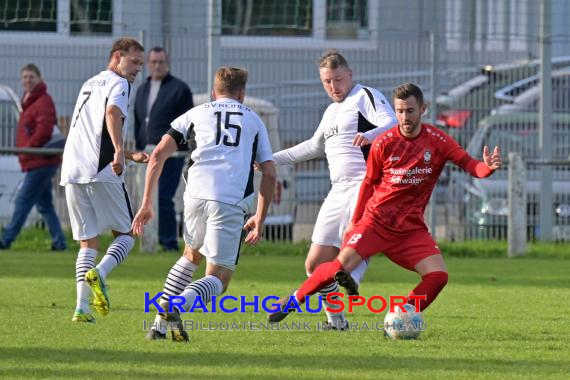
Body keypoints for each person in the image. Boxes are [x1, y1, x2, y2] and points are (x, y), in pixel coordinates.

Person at [269, 83, 502, 322]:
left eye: (410, 111)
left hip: (410, 229)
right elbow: (369, 184)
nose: (404, 117)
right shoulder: (384, 142)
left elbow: (470, 165)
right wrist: (355, 222)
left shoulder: (438, 141)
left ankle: (402, 316)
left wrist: (488, 168)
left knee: (438, 276)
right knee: (339, 268)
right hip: (376, 222)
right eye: (399, 111)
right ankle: (295, 298)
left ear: (423, 109)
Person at [132, 66, 276, 342]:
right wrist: (260, 215)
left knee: (190, 255)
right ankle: (177, 306)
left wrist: (146, 202)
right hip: (230, 200)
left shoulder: (196, 112)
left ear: (214, 92)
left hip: (195, 195)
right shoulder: (254, 121)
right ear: (242, 94)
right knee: (219, 278)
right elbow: (269, 173)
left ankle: (158, 327)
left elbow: (157, 154)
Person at [270, 49, 397, 329]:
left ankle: (354, 279)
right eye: (327, 81)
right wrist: (271, 159)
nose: (333, 87)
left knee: (354, 247)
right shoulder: (330, 111)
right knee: (314, 265)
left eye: (338, 79)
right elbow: (312, 147)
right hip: (338, 190)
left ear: (350, 74)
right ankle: (337, 321)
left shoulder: (365, 96)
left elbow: (393, 123)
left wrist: (370, 134)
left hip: (368, 185)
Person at [60, 37, 149, 323]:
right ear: (117, 57)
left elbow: (92, 130)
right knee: (126, 235)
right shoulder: (119, 83)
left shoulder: (90, 83)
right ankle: (101, 272)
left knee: (88, 243)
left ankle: (81, 309)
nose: (138, 69)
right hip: (100, 169)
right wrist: (121, 152)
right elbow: (111, 114)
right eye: (134, 62)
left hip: (72, 169)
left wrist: (128, 153)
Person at [0, 64, 67, 251]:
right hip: (36, 160)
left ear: (39, 78)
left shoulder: (43, 101)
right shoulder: (29, 100)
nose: (27, 80)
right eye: (25, 77)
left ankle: (6, 240)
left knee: (23, 200)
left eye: (31, 77)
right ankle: (59, 242)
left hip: (41, 160)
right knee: (45, 206)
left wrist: (28, 149)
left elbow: (44, 130)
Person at [134, 46, 194, 251]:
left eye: (161, 62)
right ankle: (148, 241)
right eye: (153, 62)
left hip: (171, 154)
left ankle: (168, 242)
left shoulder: (179, 89)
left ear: (167, 63)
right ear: (148, 64)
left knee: (164, 197)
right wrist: (138, 147)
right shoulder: (142, 89)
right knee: (146, 198)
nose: (157, 66)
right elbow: (138, 120)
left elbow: (187, 123)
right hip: (147, 153)